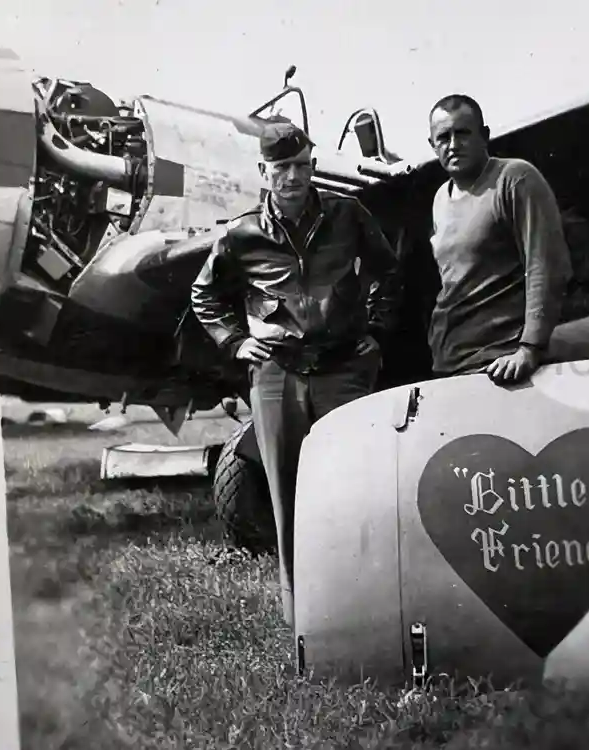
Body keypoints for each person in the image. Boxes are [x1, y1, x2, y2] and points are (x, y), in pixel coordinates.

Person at [189, 121, 402, 627]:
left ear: (312, 165)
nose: (293, 176)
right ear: (264, 172)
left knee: (357, 485)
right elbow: (205, 294)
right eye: (282, 167)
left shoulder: (348, 215)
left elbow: (387, 271)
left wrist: (376, 329)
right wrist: (236, 342)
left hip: (343, 370)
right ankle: (301, 612)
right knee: (286, 491)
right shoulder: (241, 235)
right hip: (276, 374)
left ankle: (364, 603)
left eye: (302, 165)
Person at [426, 94, 574, 383]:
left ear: (485, 136)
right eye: (443, 137)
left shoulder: (514, 178)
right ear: (432, 146)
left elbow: (546, 263)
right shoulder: (440, 199)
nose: (453, 144)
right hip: (451, 363)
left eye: (463, 133)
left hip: (500, 362)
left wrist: (529, 348)